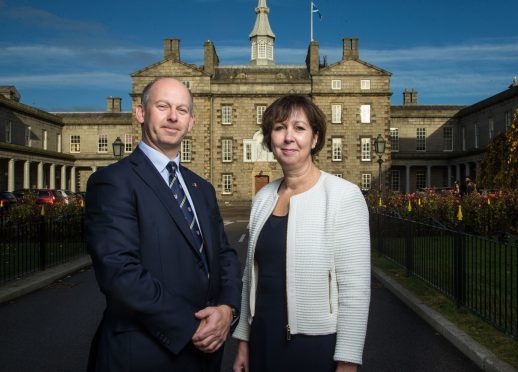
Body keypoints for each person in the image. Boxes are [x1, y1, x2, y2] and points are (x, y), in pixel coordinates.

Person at [85, 77, 242, 372]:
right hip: (144, 354)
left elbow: (224, 256)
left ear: (191, 122)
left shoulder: (201, 188)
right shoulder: (113, 181)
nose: (173, 116)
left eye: (182, 110)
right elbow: (119, 272)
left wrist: (227, 310)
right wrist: (190, 327)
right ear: (141, 113)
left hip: (205, 356)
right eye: (163, 106)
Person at [232, 95, 371, 372]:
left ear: (315, 138)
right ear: (270, 139)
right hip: (262, 339)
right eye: (280, 128)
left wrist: (348, 362)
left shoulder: (343, 196)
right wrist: (243, 341)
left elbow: (355, 289)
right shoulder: (263, 198)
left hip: (315, 345)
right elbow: (251, 276)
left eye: (299, 128)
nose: (288, 137)